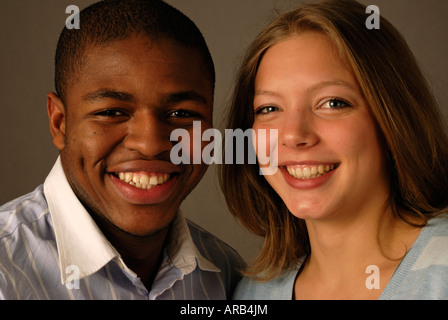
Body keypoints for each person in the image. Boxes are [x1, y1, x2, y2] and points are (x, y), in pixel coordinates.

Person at [0, 0, 244, 300]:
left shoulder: (229, 277)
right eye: (112, 112)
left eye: (182, 114)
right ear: (60, 123)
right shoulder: (6, 273)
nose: (150, 144)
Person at [221, 0, 448, 299]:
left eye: (333, 103)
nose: (293, 135)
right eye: (269, 108)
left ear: (392, 118)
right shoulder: (252, 295)